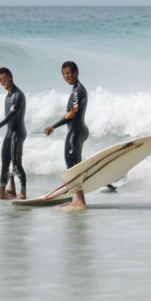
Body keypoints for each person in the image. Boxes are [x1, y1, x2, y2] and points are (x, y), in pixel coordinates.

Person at [43, 61, 91, 210]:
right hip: (78, 129)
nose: (66, 76)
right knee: (74, 164)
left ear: (76, 72)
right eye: (64, 74)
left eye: (68, 73)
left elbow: (72, 113)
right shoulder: (76, 89)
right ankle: (76, 198)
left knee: (71, 166)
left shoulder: (77, 91)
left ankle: (79, 201)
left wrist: (53, 126)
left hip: (75, 131)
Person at [0, 67, 27, 200]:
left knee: (16, 164)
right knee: (5, 162)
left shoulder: (18, 95)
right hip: (10, 132)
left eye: (5, 78)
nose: (3, 81)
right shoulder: (8, 95)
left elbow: (11, 115)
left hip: (18, 132)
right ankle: (4, 192)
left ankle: (23, 192)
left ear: (11, 77)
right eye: (0, 80)